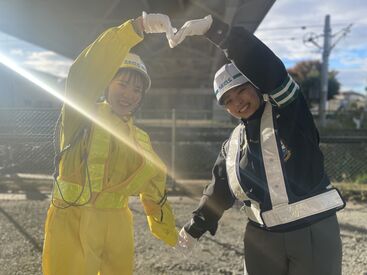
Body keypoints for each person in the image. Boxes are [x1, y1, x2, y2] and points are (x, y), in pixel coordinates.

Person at [169, 15, 346, 275]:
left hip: (313, 233)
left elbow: (268, 69)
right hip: (261, 240)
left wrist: (220, 33)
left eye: (241, 90)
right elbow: (219, 189)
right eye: (228, 100)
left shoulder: (288, 112)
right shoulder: (231, 146)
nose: (237, 102)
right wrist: (195, 227)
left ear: (257, 86)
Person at [42, 12, 178, 275]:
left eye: (137, 90)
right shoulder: (80, 115)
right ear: (107, 83)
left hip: (116, 225)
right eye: (123, 84)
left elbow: (154, 185)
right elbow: (85, 71)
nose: (129, 94)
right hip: (70, 219)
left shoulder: (139, 139)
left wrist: (169, 232)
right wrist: (137, 28)